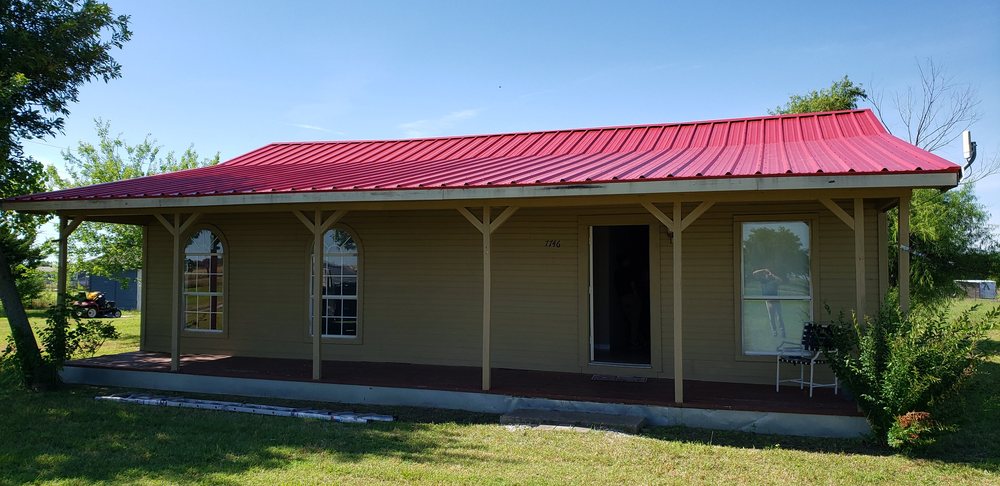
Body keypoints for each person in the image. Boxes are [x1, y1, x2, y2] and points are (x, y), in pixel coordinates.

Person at [753, 268, 785, 338]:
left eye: (768, 274)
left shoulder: (774, 281)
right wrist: (763, 270)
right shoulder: (763, 281)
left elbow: (781, 281)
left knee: (779, 317)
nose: (767, 275)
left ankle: (783, 332)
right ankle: (774, 333)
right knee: (771, 318)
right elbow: (754, 273)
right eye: (766, 274)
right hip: (768, 301)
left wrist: (773, 275)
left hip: (776, 301)